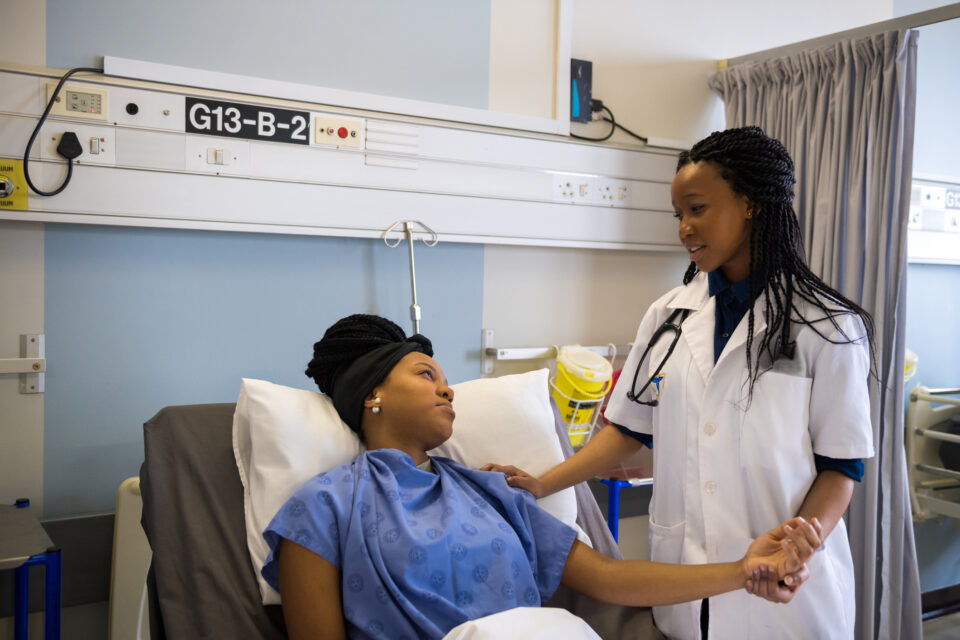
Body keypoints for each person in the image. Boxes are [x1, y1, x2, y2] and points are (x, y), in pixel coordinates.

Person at [484, 126, 875, 639]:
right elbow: (630, 429)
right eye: (679, 215)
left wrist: (802, 542)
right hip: (686, 592)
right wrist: (544, 483)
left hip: (788, 598)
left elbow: (841, 464)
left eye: (697, 208)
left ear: (751, 203)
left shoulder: (827, 325)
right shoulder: (668, 316)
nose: (685, 228)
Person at [261, 314, 823, 640]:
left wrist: (742, 569)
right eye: (426, 374)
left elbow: (607, 578)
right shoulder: (322, 509)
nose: (448, 388)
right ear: (372, 394)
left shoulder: (489, 492)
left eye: (445, 378)